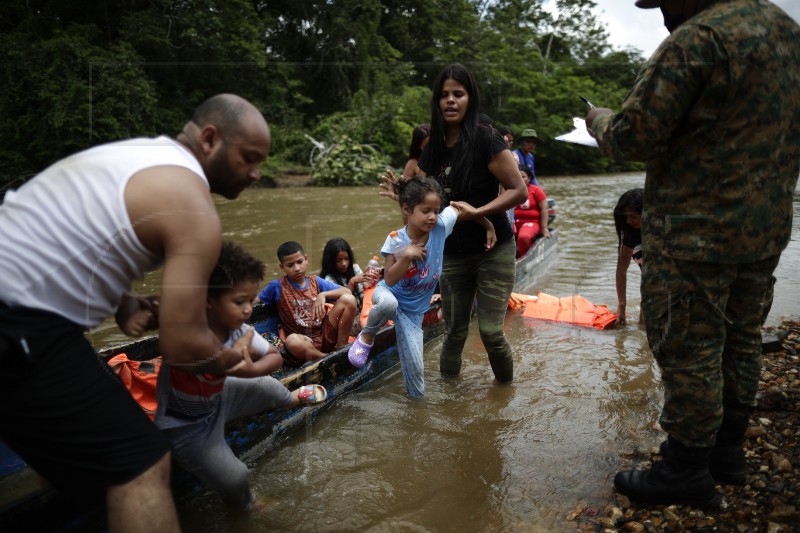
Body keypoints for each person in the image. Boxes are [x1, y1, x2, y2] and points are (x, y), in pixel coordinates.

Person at [0, 93, 272, 530]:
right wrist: (228, 359)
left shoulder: (139, 155)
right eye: (249, 158)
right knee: (144, 465)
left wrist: (123, 300)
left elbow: (69, 236)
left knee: (89, 471)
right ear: (209, 139)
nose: (257, 174)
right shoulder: (194, 206)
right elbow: (181, 345)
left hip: (27, 310)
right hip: (19, 317)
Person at [586, 0, 800, 508]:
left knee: (690, 347)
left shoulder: (698, 39)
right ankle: (726, 455)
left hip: (694, 231)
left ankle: (683, 468)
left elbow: (630, 135)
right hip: (766, 226)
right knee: (741, 337)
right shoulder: (788, 33)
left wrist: (597, 119)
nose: (660, 11)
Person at [381, 63, 527, 384]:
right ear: (436, 102)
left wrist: (480, 215)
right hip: (451, 253)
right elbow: (432, 203)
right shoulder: (432, 149)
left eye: (458, 94)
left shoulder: (487, 140)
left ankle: (505, 396)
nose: (450, 101)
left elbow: (519, 191)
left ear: (470, 99)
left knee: (490, 332)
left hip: (494, 249)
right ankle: (448, 406)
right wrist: (404, 201)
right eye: (444, 95)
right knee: (454, 333)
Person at [155, 241, 327, 508]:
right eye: (239, 302)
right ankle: (247, 506)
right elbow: (196, 359)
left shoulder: (238, 327)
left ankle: (292, 399)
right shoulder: (186, 329)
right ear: (208, 302)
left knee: (268, 386)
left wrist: (251, 369)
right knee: (237, 477)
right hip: (187, 424)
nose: (248, 310)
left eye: (250, 300)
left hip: (220, 395)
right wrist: (232, 359)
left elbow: (274, 356)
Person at [348, 177, 495, 398]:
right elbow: (388, 280)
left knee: (416, 371)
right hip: (390, 293)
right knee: (388, 303)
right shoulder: (395, 240)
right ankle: (367, 336)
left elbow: (461, 208)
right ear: (407, 210)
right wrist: (406, 256)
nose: (432, 216)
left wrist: (488, 225)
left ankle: (416, 413)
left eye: (436, 210)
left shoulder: (440, 226)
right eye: (426, 211)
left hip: (414, 312)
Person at [258, 241, 357, 365]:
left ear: (306, 259)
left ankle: (341, 348)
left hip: (324, 334)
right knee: (291, 341)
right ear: (282, 267)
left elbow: (347, 291)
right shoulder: (276, 286)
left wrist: (323, 294)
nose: (297, 268)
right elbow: (254, 301)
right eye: (290, 265)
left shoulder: (315, 281)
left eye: (299, 262)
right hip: (304, 343)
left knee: (349, 300)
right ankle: (326, 358)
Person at [613, 188, 644, 327]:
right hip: (650, 285)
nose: (628, 221)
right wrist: (621, 307)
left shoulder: (664, 231)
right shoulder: (631, 235)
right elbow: (621, 270)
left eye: (633, 216)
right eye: (626, 217)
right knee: (642, 327)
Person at [320, 237, 375, 312]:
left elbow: (367, 286)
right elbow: (343, 304)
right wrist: (352, 282)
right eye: (338, 260)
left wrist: (370, 278)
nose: (344, 263)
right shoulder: (328, 280)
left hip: (364, 311)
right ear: (330, 261)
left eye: (346, 259)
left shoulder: (355, 268)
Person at [513, 165, 551, 258]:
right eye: (517, 176)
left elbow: (544, 209)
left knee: (524, 237)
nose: (520, 179)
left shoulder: (536, 190)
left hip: (531, 222)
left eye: (523, 177)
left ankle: (523, 259)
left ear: (529, 178)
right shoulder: (508, 190)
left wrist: (544, 228)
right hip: (513, 223)